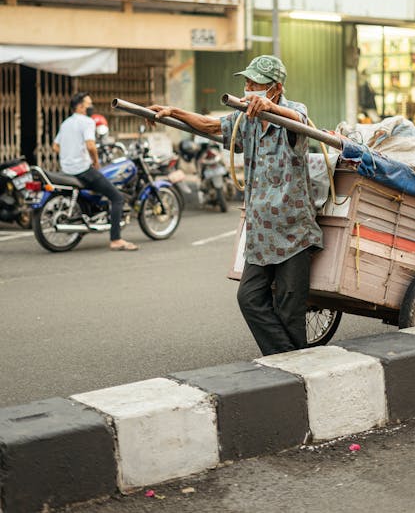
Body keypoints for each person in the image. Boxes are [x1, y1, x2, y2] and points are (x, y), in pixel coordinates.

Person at [148, 55, 323, 356]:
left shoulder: (293, 112)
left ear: (275, 88)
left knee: (289, 311)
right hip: (261, 233)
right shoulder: (245, 120)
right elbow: (209, 125)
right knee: (250, 298)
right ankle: (291, 360)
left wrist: (271, 109)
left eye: (255, 84)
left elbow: (300, 122)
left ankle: (292, 369)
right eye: (247, 82)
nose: (248, 88)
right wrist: (172, 112)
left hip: (293, 231)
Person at [53, 92, 138, 251]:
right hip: (83, 170)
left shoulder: (66, 123)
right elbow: (91, 146)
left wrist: (71, 153)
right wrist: (96, 162)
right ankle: (116, 239)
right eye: (88, 104)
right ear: (80, 107)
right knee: (117, 197)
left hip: (67, 169)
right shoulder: (87, 122)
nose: (91, 107)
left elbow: (55, 147)